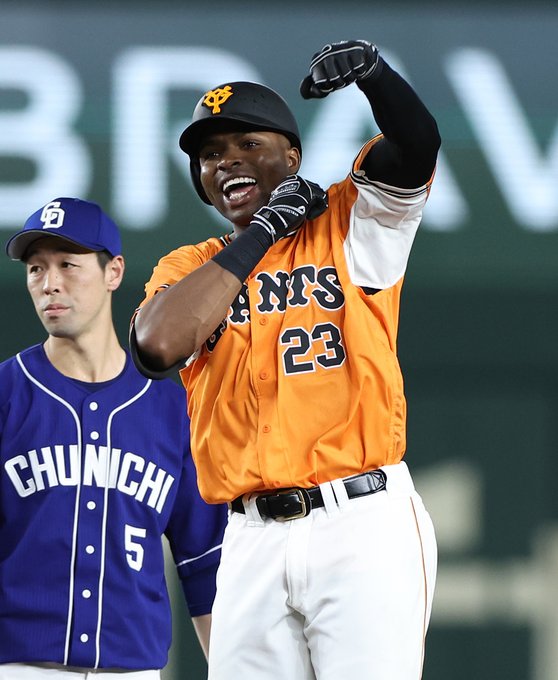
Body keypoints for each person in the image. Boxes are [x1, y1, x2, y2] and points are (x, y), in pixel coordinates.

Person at [131, 39, 441, 680]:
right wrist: (265, 232)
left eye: (248, 143)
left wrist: (377, 76)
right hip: (249, 538)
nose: (226, 161)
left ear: (292, 158)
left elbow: (416, 146)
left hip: (360, 523)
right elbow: (157, 346)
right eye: (210, 154)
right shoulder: (190, 266)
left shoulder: (351, 224)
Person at [0, 197, 228, 680]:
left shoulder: (172, 409)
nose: (50, 283)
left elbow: (203, 562)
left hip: (134, 670)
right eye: (36, 269)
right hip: (19, 666)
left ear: (114, 272)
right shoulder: (6, 393)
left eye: (68, 264)